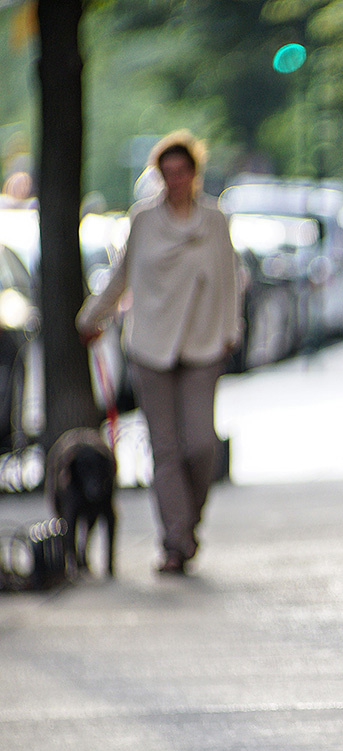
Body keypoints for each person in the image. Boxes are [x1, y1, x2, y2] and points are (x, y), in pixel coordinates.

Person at [77, 130, 242, 575]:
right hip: (150, 345)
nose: (174, 180)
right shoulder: (144, 220)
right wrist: (92, 318)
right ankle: (175, 540)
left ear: (195, 174)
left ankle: (187, 521)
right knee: (165, 449)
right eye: (165, 173)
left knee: (201, 445)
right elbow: (121, 277)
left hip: (203, 344)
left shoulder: (215, 221)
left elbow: (230, 281)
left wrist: (231, 330)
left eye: (181, 171)